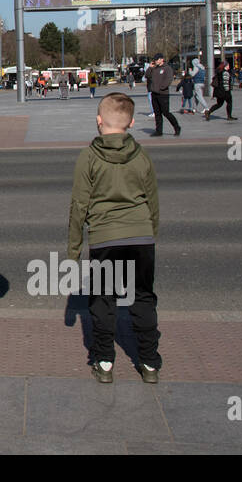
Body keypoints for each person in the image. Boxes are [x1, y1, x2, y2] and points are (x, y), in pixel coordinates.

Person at [66, 92, 162, 384]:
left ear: (98, 121)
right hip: (141, 236)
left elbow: (79, 205)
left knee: (103, 300)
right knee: (142, 298)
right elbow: (152, 199)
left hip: (105, 239)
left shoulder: (89, 157)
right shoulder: (141, 155)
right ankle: (149, 363)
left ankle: (104, 361)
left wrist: (73, 250)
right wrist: (150, 231)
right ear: (131, 123)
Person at [145, 54, 180, 137]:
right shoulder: (154, 68)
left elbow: (168, 80)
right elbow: (147, 76)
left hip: (163, 94)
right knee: (157, 114)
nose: (156, 61)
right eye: (155, 60)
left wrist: (161, 88)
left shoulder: (167, 68)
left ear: (162, 59)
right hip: (154, 93)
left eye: (157, 59)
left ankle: (177, 127)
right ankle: (159, 131)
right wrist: (150, 67)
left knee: (166, 113)